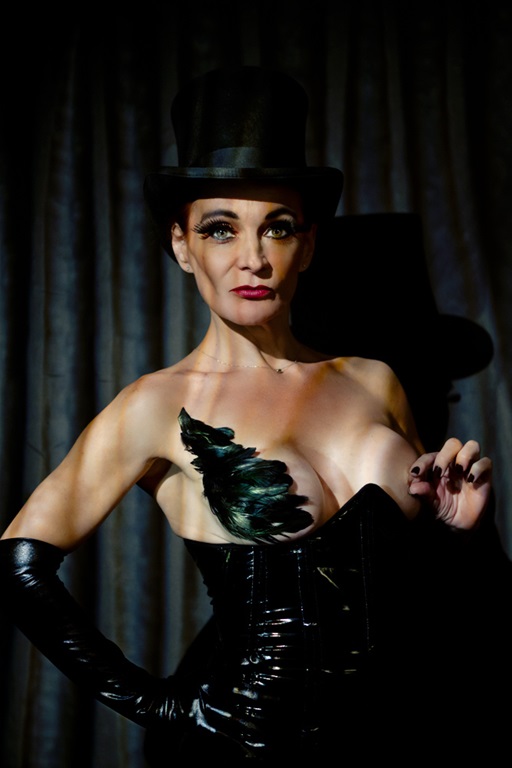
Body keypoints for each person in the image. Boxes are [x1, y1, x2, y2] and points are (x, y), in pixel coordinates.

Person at [0, 66, 509, 764]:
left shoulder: (375, 381)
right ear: (182, 247)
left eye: (278, 228)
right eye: (220, 229)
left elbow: (441, 598)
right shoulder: (156, 405)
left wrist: (467, 534)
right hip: (253, 748)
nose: (254, 259)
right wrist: (164, 707)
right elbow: (19, 568)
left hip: (410, 735)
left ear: (309, 244)